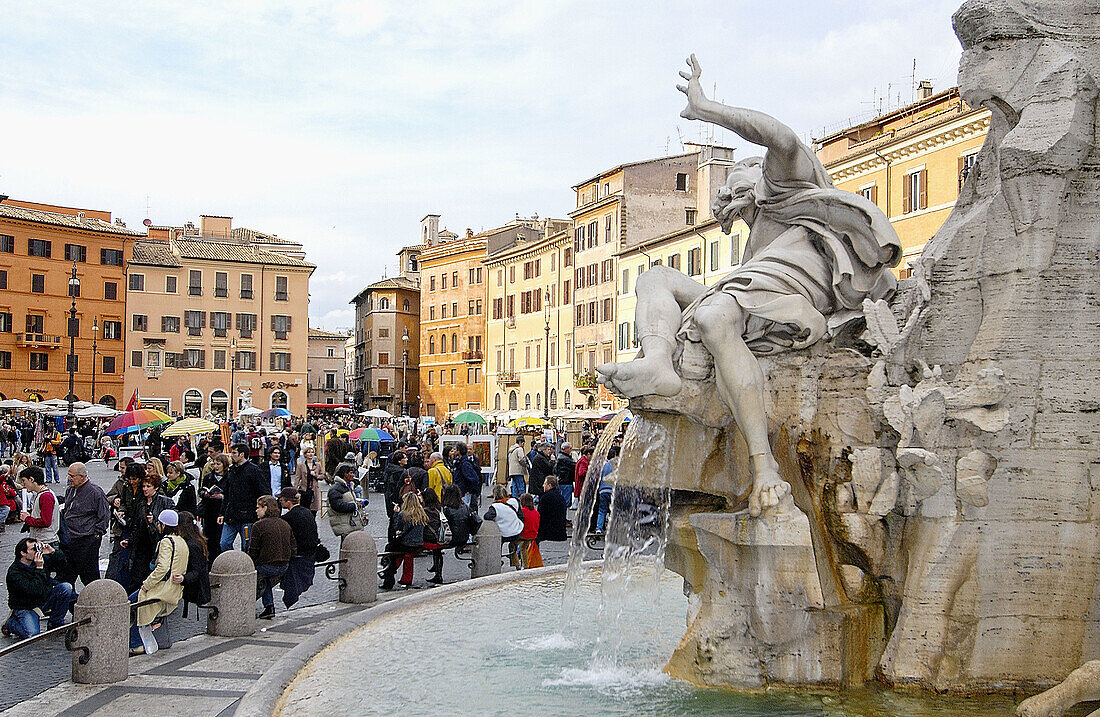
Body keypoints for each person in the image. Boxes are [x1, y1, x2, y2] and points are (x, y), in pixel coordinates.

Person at [597, 56, 901, 518]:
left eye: (733, 189)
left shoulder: (786, 184)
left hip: (796, 288)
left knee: (714, 315)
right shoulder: (753, 241)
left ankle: (764, 468)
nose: (726, 200)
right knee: (654, 276)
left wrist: (706, 109)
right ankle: (659, 362)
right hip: (752, 289)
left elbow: (778, 134)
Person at [129, 509, 188, 655]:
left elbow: (162, 568)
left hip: (162, 588)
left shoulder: (166, 542)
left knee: (132, 603)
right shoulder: (182, 542)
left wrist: (146, 585)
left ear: (163, 524)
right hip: (175, 588)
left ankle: (136, 643)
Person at [3, 538, 76, 638]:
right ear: (23, 553)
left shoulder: (40, 560)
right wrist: (39, 569)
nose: (37, 552)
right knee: (32, 634)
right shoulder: (14, 573)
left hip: (43, 600)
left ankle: (55, 623)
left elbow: (63, 567)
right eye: (34, 549)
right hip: (26, 606)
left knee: (66, 588)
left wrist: (53, 552)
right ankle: (11, 624)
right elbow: (34, 590)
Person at [60, 462, 109, 589]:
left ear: (82, 476)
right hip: (70, 538)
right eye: (68, 475)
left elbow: (104, 516)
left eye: (72, 476)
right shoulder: (70, 489)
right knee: (67, 574)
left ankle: (98, 602)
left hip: (87, 539)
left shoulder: (95, 492)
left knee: (89, 575)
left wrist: (96, 534)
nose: (69, 478)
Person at [248, 495, 295, 619]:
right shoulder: (285, 524)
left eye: (258, 507)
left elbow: (253, 551)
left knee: (257, 575)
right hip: (284, 565)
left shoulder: (258, 526)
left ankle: (245, 605)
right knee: (266, 580)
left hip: (267, 566)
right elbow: (293, 547)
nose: (256, 510)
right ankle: (269, 607)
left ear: (265, 508)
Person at [127, 470, 175, 592]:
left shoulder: (165, 502)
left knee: (153, 574)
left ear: (156, 487)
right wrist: (130, 540)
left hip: (157, 543)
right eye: (143, 486)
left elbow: (170, 524)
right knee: (137, 576)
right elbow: (136, 525)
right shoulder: (141, 504)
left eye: (148, 486)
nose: (145, 489)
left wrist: (153, 521)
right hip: (142, 544)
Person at [219, 443, 268, 552]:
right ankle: (232, 563)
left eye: (234, 453)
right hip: (231, 515)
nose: (231, 455)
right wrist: (222, 512)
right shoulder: (231, 471)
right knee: (224, 543)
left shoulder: (254, 470)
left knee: (247, 546)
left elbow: (263, 492)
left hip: (248, 516)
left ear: (242, 454)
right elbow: (227, 494)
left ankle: (245, 567)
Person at [277, 488, 318, 609]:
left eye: (282, 499)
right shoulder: (307, 512)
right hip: (310, 554)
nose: (280, 501)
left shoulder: (289, 518)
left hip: (299, 556)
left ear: (288, 501)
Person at [105, 462, 143, 587]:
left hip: (139, 525)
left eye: (134, 479)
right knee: (123, 558)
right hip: (127, 524)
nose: (132, 482)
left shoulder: (144, 487)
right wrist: (122, 510)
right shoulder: (125, 486)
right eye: (130, 479)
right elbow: (124, 502)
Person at [381, 492, 428, 590]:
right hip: (418, 543)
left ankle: (388, 574)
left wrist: (395, 514)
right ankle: (397, 574)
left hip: (407, 543)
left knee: (390, 549)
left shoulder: (404, 514)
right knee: (399, 553)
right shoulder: (422, 513)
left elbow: (395, 528)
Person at [176, 511, 211, 613]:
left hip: (193, 590)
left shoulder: (192, 545)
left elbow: (197, 570)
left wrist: (184, 578)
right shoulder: (196, 541)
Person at [483, 485, 524, 568]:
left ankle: (497, 559)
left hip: (504, 534)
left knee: (497, 542)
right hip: (517, 531)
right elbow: (521, 516)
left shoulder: (495, 507)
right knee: (513, 545)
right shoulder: (514, 501)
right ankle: (517, 564)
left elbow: (486, 517)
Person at [198, 454, 227, 563]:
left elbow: (231, 494)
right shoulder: (208, 477)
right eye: (214, 464)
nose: (216, 466)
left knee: (221, 538)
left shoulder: (228, 477)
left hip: (221, 510)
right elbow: (200, 490)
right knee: (209, 538)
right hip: (209, 510)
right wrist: (205, 494)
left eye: (218, 464)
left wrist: (222, 497)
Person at [327, 464, 364, 541]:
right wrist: (354, 506)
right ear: (345, 474)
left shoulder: (348, 486)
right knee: (347, 546)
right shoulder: (336, 489)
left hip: (349, 522)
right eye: (351, 473)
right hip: (344, 523)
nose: (353, 475)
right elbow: (338, 506)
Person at [595, 446, 621, 535]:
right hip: (613, 490)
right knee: (613, 511)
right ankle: (612, 529)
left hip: (603, 490)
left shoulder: (605, 465)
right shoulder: (617, 465)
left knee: (602, 510)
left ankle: (599, 528)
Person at [537, 476, 569, 545]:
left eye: (544, 484)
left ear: (549, 485)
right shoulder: (561, 497)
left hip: (549, 532)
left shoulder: (545, 498)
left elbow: (540, 516)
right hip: (560, 531)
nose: (543, 486)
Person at [453, 443, 483, 512]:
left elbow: (473, 479)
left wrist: (468, 490)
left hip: (465, 493)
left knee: (465, 511)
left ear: (459, 451)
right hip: (462, 492)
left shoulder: (465, 464)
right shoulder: (460, 462)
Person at [294, 445, 322, 515]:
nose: (310, 454)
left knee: (313, 511)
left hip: (314, 490)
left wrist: (316, 475)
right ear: (305, 454)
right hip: (304, 490)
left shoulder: (317, 465)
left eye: (312, 452)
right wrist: (294, 490)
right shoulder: (301, 465)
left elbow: (322, 476)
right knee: (304, 510)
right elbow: (297, 478)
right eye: (308, 452)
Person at [517, 493, 541, 569]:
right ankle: (524, 564)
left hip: (525, 534)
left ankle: (520, 564)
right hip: (533, 534)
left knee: (516, 546)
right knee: (524, 546)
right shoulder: (536, 512)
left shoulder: (522, 511)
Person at [383, 450, 407, 519]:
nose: (407, 459)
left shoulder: (389, 469)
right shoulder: (401, 472)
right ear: (400, 461)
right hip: (396, 498)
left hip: (389, 496)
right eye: (404, 458)